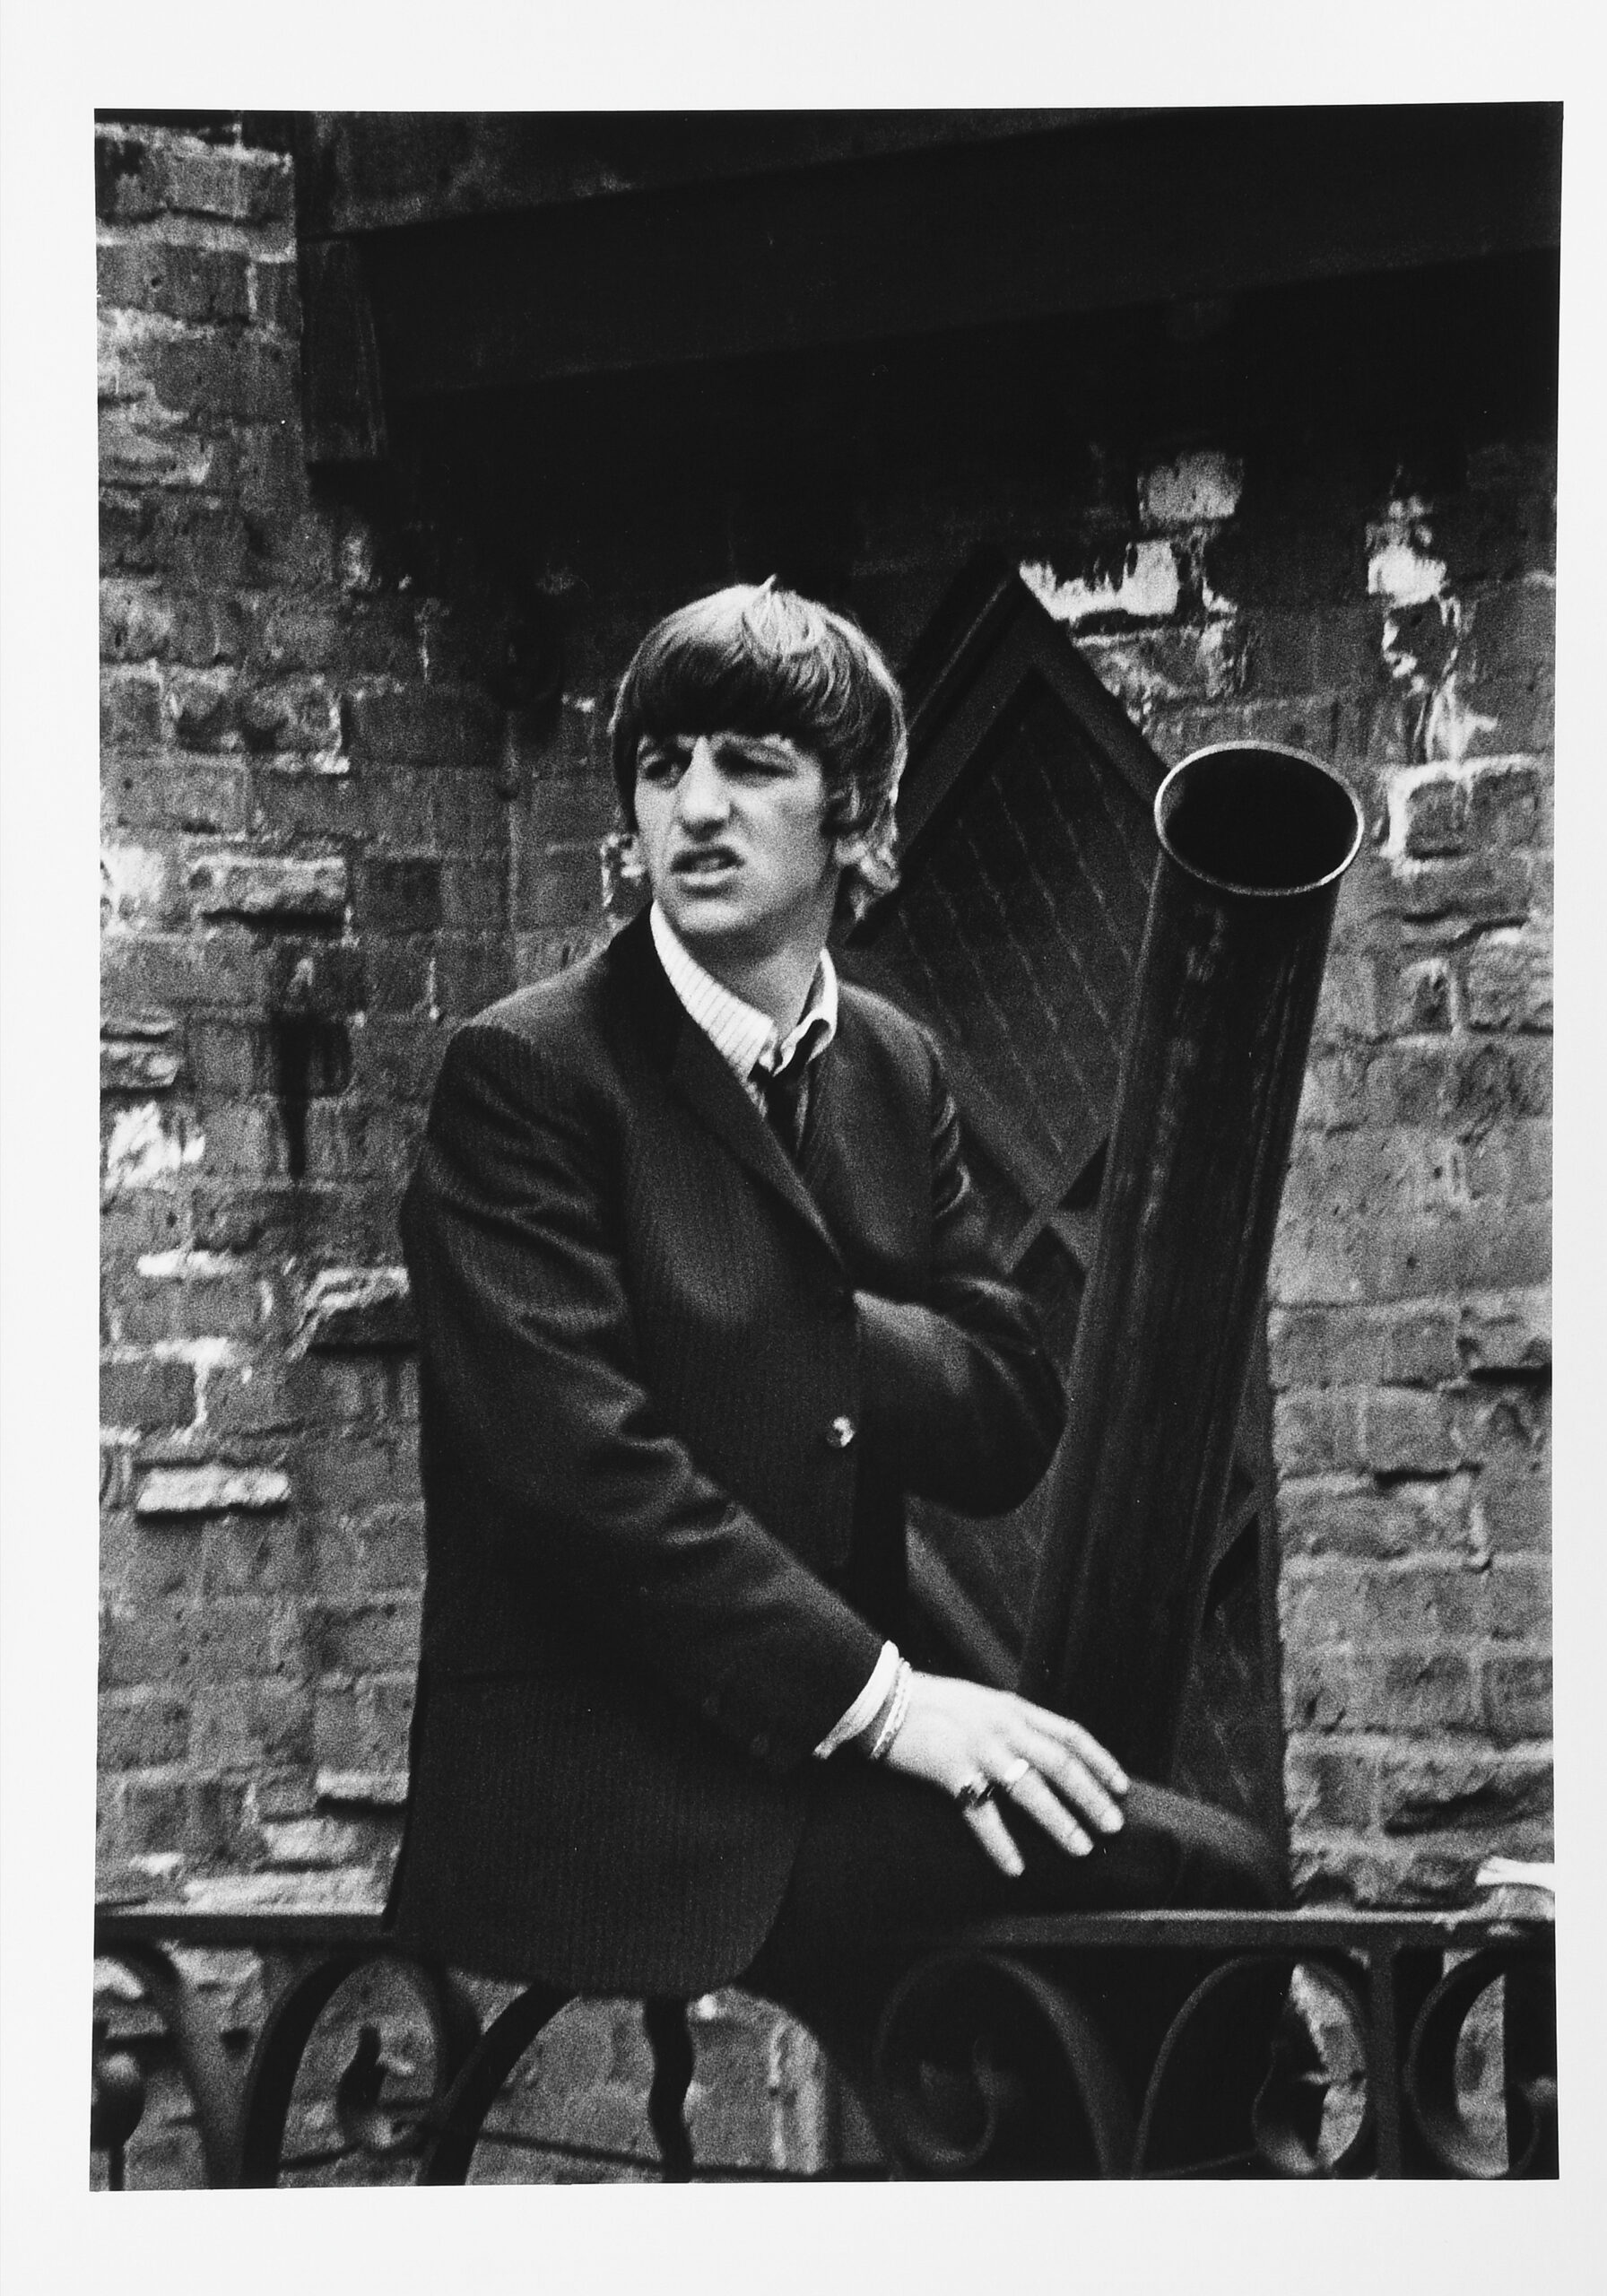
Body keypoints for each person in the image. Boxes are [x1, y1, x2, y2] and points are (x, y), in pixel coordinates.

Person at [388, 581, 1281, 2095]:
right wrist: (890, 1706)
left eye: (751, 762)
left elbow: (1004, 1414)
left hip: (812, 1754)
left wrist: (790, 1321)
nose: (697, 808)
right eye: (664, 765)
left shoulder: (890, 1063)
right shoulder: (529, 1076)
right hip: (614, 1786)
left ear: (857, 817)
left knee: (1206, 1880)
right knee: (1192, 1902)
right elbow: (578, 1482)